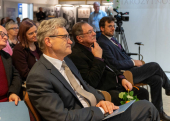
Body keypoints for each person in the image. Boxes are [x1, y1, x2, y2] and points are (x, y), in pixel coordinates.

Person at [26, 18, 159, 121]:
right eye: (65, 37)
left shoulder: (66, 60)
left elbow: (85, 86)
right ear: (48, 41)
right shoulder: (39, 76)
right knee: (146, 109)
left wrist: (101, 100)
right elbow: (62, 118)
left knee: (145, 105)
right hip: (88, 116)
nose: (70, 41)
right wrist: (100, 110)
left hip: (96, 111)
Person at [98, 16, 170, 121]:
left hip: (131, 69)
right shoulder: (103, 42)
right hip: (125, 74)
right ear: (102, 28)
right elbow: (114, 64)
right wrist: (133, 62)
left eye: (113, 26)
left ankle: (158, 112)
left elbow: (124, 56)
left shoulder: (112, 39)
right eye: (109, 26)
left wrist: (134, 62)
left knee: (157, 79)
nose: (113, 28)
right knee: (155, 65)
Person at [68, 22, 149, 105]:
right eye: (90, 32)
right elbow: (91, 81)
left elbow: (110, 65)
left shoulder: (94, 47)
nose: (94, 33)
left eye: (93, 30)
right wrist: (98, 58)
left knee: (143, 92)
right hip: (105, 90)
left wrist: (122, 78)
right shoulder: (76, 55)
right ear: (79, 38)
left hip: (116, 84)